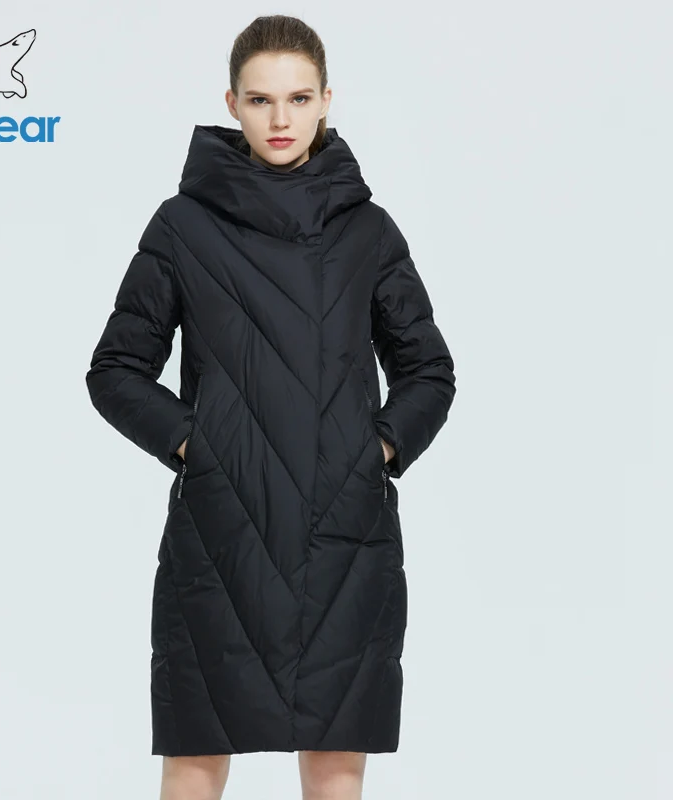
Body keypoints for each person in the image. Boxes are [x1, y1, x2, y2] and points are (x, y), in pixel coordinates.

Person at [85, 14, 456, 800]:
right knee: (195, 760)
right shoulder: (182, 226)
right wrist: (199, 447)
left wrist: (375, 452)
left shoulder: (368, 232)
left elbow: (428, 370)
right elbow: (115, 370)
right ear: (232, 103)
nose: (280, 119)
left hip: (344, 541)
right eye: (260, 100)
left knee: (334, 765)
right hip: (220, 540)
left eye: (298, 98)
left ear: (327, 100)